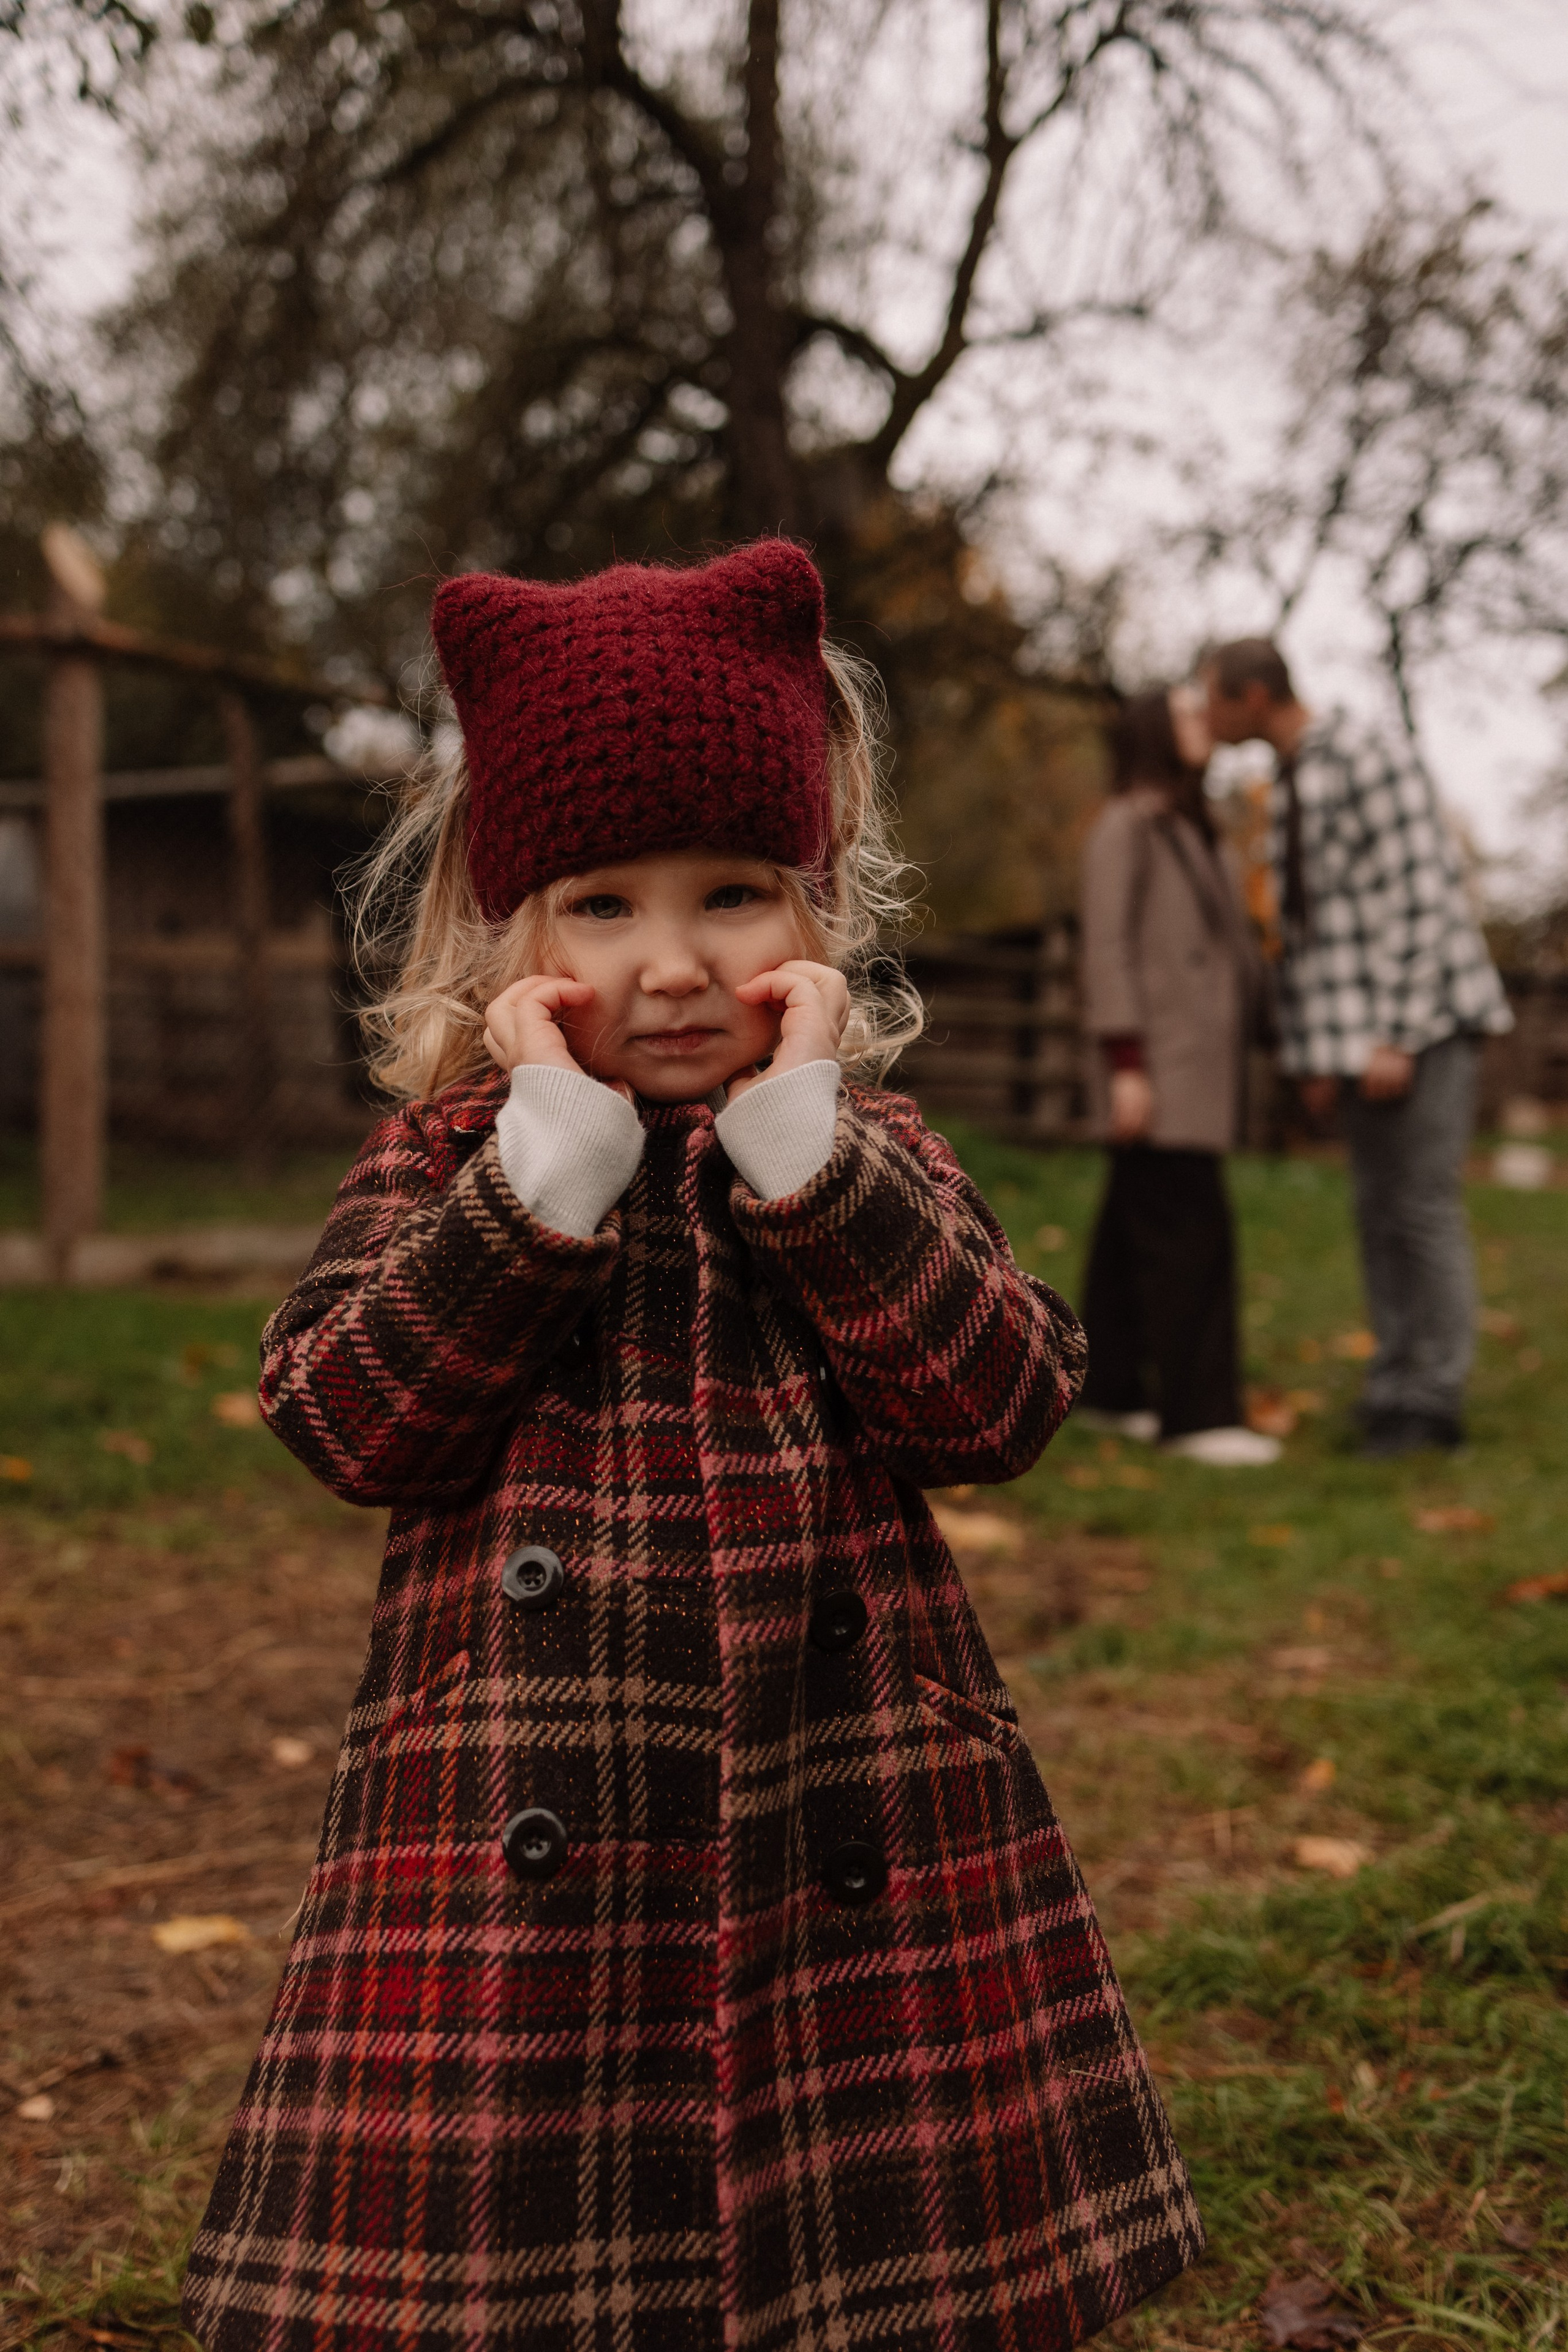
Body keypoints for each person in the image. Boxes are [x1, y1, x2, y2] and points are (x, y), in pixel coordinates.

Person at [181, 542, 1201, 2352]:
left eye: (732, 893)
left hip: (849, 1798)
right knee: (540, 2243)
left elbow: (1003, 1399)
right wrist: (532, 1189)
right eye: (599, 904)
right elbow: (341, 1413)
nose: (668, 962)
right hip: (513, 1834)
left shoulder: (862, 1152)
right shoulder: (445, 1162)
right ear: (512, 936)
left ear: (814, 919)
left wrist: (817, 1173)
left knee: (856, 2232)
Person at [1201, 638, 1512, 1457]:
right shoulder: (1293, 779)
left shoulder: (1367, 753)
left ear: (1256, 695)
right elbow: (1312, 935)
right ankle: (1394, 1385)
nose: (1208, 715)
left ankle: (1433, 1401)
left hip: (1422, 1028)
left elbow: (1422, 896)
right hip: (1354, 1046)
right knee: (1379, 1215)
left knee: (1421, 1209)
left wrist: (1396, 1033)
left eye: (1216, 700)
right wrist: (1314, 1053)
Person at [1076, 687, 1280, 1467]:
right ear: (1154, 731)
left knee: (1135, 1222)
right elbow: (1107, 951)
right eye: (1189, 711)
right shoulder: (1127, 824)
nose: (1205, 721)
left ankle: (1111, 1390)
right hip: (1157, 1066)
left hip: (1193, 1062)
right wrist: (1126, 1065)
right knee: (1192, 1232)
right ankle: (1200, 1417)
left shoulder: (1199, 828)